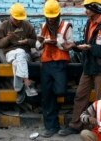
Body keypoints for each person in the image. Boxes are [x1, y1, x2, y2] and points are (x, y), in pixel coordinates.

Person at [58, 0, 101, 136]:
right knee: (80, 96)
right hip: (89, 67)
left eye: (87, 8)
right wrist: (73, 45)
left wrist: (91, 48)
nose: (85, 11)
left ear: (95, 9)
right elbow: (86, 43)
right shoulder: (89, 23)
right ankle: (75, 125)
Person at [36, 0, 74, 138]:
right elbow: (37, 46)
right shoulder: (43, 26)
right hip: (46, 63)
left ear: (58, 14)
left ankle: (61, 119)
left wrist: (57, 42)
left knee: (59, 90)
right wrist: (40, 42)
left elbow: (69, 44)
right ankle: (51, 127)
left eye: (53, 16)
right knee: (47, 96)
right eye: (48, 16)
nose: (51, 19)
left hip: (60, 63)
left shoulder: (66, 26)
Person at [0, 3, 38, 104]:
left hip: (25, 55)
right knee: (18, 53)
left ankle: (18, 90)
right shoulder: (3, 26)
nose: (18, 21)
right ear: (11, 16)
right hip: (9, 53)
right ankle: (27, 82)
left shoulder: (27, 26)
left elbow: (35, 43)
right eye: (16, 19)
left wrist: (27, 41)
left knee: (18, 58)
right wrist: (7, 38)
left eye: (20, 19)